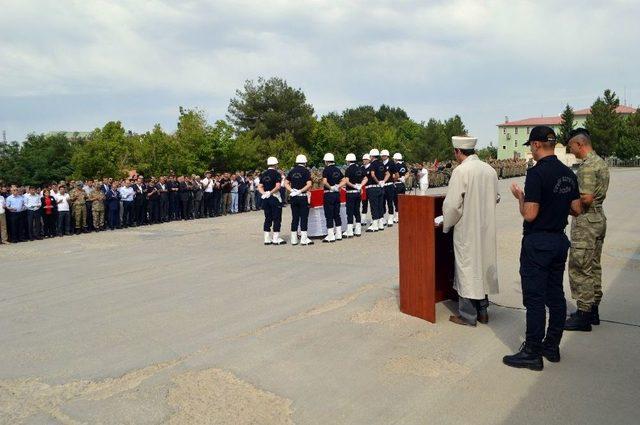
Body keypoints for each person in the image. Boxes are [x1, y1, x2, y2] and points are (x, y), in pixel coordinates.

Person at [503, 126, 582, 371]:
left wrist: (520, 197)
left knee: (535, 299)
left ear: (536, 145)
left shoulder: (536, 174)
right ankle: (551, 346)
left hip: (538, 243)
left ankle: (532, 351)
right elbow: (577, 209)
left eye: (531, 146)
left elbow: (530, 214)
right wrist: (557, 204)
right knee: (555, 296)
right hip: (559, 241)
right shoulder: (568, 173)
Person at [440, 136, 499, 327]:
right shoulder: (489, 170)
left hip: (467, 229)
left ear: (458, 151)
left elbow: (452, 206)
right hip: (486, 228)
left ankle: (467, 315)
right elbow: (496, 197)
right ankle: (483, 312)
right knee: (482, 267)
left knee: (466, 270)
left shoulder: (461, 171)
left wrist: (446, 224)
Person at [564, 128, 610, 331]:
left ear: (579, 144)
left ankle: (583, 314)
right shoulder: (600, 162)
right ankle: (592, 310)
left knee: (580, 267)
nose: (570, 149)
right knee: (593, 266)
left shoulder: (587, 167)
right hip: (598, 219)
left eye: (571, 146)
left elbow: (586, 198)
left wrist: (565, 204)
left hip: (586, 222)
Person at [285, 154, 314, 245]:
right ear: (305, 162)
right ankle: (303, 239)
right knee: (304, 218)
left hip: (293, 197)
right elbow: (309, 184)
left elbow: (285, 183)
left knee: (295, 218)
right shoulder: (306, 171)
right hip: (302, 196)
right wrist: (300, 190)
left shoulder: (292, 171)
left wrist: (292, 190)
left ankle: (293, 239)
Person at [259, 157, 285, 245]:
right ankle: (275, 238)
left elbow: (260, 186)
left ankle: (266, 238)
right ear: (275, 164)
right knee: (277, 218)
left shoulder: (263, 174)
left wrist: (264, 193)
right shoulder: (276, 174)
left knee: (267, 218)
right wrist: (270, 192)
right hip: (274, 197)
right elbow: (278, 186)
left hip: (266, 198)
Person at [321, 152, 344, 243]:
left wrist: (330, 187)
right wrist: (337, 186)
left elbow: (324, 181)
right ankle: (339, 234)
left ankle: (331, 235)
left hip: (328, 193)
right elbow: (344, 180)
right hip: (336, 194)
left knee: (329, 214)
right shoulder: (337, 170)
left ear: (326, 161)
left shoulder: (326, 170)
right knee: (336, 214)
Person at [344, 153, 367, 237]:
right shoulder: (359, 168)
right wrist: (360, 185)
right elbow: (365, 178)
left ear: (348, 160)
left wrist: (353, 186)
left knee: (349, 211)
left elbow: (346, 181)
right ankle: (358, 230)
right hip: (358, 193)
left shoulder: (348, 169)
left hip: (350, 193)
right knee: (357, 211)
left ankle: (349, 231)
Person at [366, 149, 389, 232]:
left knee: (374, 206)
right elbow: (388, 174)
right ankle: (380, 224)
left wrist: (378, 181)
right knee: (380, 205)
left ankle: (375, 224)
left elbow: (372, 174)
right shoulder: (381, 164)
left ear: (372, 156)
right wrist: (383, 181)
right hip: (381, 187)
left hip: (373, 187)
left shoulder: (372, 164)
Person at [380, 149, 395, 227]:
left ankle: (391, 217)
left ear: (387, 156)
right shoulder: (380, 164)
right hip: (382, 185)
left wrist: (393, 181)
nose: (383, 157)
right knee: (382, 202)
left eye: (384, 155)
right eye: (382, 156)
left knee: (390, 201)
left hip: (389, 184)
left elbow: (396, 174)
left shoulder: (391, 163)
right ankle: (383, 218)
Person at [392, 152, 407, 223]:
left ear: (395, 159)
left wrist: (394, 180)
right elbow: (407, 173)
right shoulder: (403, 165)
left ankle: (397, 216)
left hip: (397, 184)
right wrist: (404, 178)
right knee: (402, 200)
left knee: (396, 201)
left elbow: (394, 176)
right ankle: (403, 216)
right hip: (402, 184)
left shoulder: (395, 165)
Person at [360, 154, 371, 224]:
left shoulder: (371, 167)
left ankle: (374, 218)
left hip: (370, 187)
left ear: (369, 160)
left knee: (372, 203)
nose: (364, 161)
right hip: (363, 187)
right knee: (364, 203)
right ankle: (363, 219)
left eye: (365, 159)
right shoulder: (361, 168)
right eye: (363, 159)